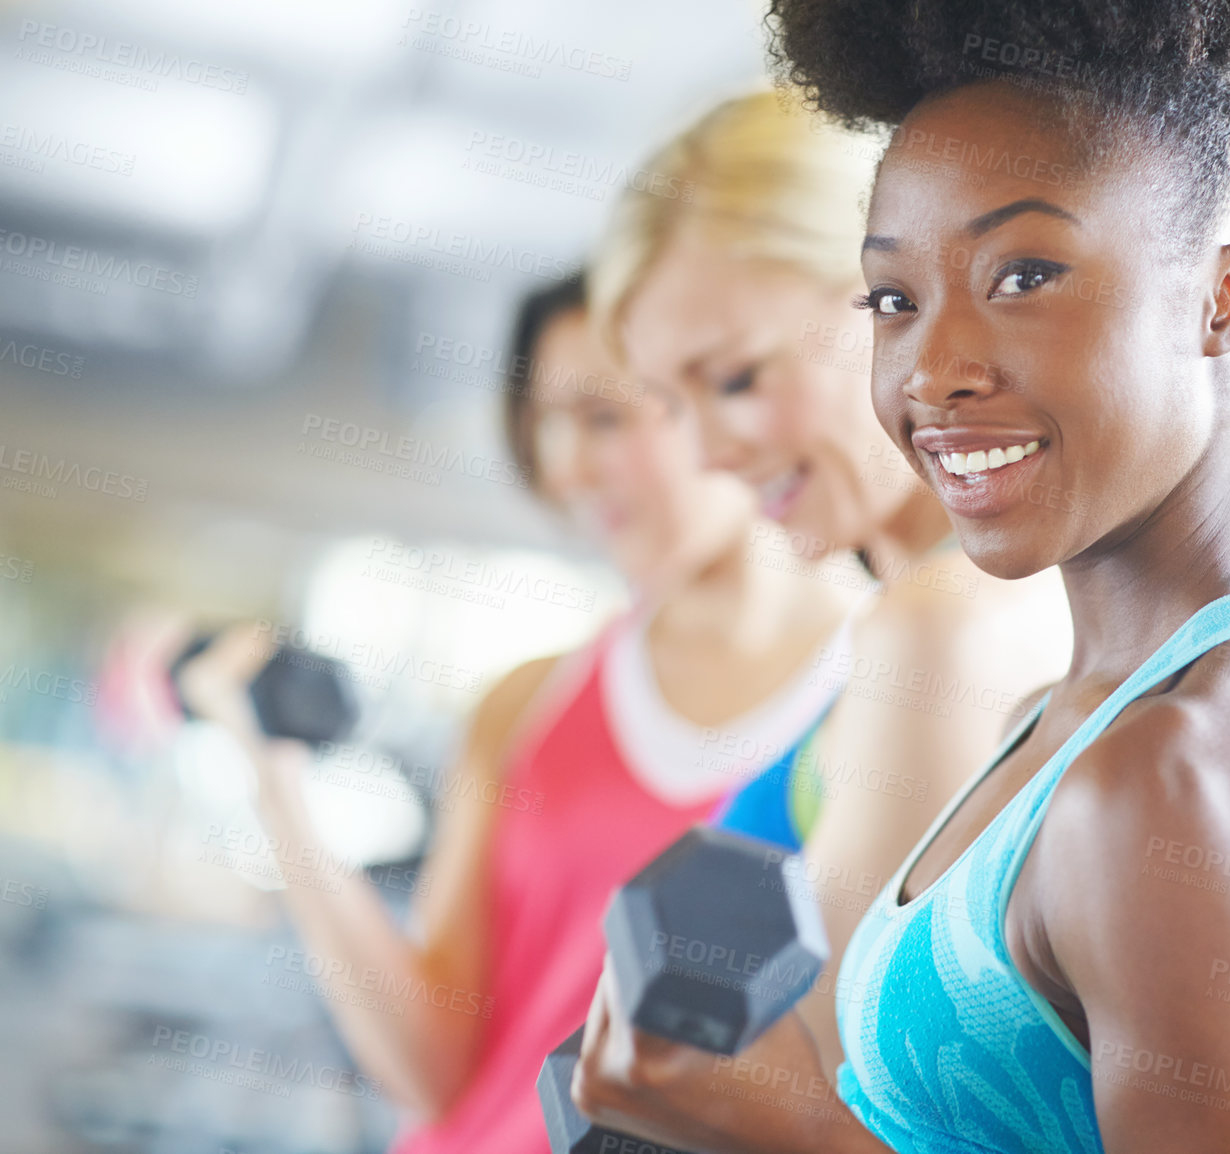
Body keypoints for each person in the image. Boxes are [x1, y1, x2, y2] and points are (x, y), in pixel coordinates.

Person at [568, 2, 1230, 1152]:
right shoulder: (1065, 723)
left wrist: (793, 1130)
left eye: (1024, 275)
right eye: (894, 299)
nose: (932, 369)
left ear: (1225, 299)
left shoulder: (1178, 771)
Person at [174, 271, 857, 1154]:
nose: (567, 468)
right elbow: (431, 1070)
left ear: (720, 396)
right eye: (550, 428)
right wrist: (278, 788)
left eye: (606, 417)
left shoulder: (877, 702)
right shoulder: (528, 703)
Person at [579, 88, 1075, 1085]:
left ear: (902, 292)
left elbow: (829, 1093)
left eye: (735, 379)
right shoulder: (952, 603)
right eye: (675, 403)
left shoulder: (940, 623)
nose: (710, 452)